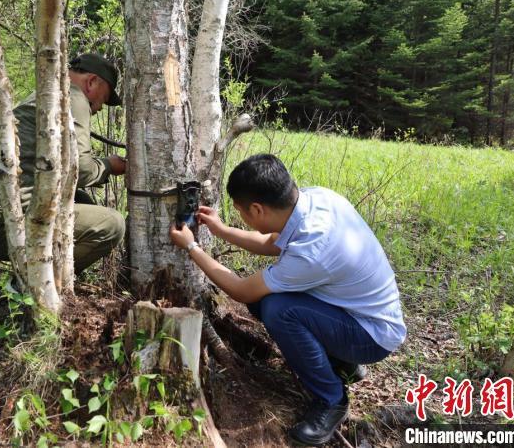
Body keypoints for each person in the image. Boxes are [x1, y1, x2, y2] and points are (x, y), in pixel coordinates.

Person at [169, 154, 406, 446]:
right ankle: (342, 362)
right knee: (268, 299)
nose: (240, 217)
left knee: (277, 308)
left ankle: (332, 399)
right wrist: (222, 230)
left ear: (257, 209)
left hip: (372, 337)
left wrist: (192, 247)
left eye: (241, 212)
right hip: (357, 313)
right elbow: (272, 243)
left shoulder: (312, 250)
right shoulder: (316, 200)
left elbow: (242, 291)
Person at [0, 53, 126, 274]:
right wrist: (110, 165)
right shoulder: (74, 97)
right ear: (91, 82)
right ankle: (35, 282)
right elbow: (82, 171)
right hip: (4, 227)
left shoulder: (47, 95)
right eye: (102, 100)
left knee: (81, 200)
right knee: (112, 224)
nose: (99, 108)